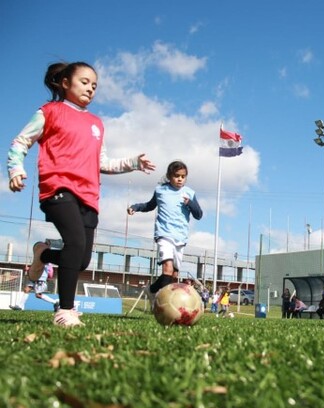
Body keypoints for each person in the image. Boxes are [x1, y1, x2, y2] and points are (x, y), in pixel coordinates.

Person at [7, 61, 155, 327]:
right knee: (74, 244)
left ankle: (43, 255)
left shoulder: (96, 123)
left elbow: (103, 163)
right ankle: (65, 310)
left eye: (94, 85)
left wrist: (133, 162)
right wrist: (15, 168)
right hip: (58, 188)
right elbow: (21, 141)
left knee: (81, 258)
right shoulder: (49, 112)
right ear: (65, 83)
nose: (91, 88)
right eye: (84, 82)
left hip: (89, 196)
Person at [128, 160, 202, 306]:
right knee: (167, 269)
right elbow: (149, 205)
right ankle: (164, 305)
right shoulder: (160, 191)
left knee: (174, 275)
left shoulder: (189, 193)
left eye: (183, 176)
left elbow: (199, 214)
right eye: (176, 176)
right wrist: (136, 207)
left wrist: (190, 204)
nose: (180, 179)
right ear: (169, 176)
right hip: (164, 234)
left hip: (180, 238)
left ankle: (152, 290)